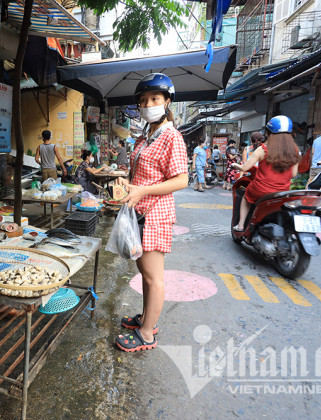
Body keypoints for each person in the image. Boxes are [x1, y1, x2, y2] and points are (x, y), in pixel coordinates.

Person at [114, 73, 188, 352]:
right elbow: (140, 176)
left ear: (167, 101)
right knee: (144, 272)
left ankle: (147, 334)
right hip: (139, 213)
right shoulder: (146, 137)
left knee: (154, 276)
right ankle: (146, 318)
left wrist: (142, 191)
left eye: (155, 98)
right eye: (143, 100)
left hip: (156, 213)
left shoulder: (172, 137)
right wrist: (127, 182)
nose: (148, 104)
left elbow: (182, 179)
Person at [232, 116, 300, 231]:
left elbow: (245, 168)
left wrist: (235, 165)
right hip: (282, 191)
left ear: (268, 133)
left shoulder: (262, 149)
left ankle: (241, 225)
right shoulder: (295, 151)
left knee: (245, 197)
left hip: (260, 189)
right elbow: (293, 174)